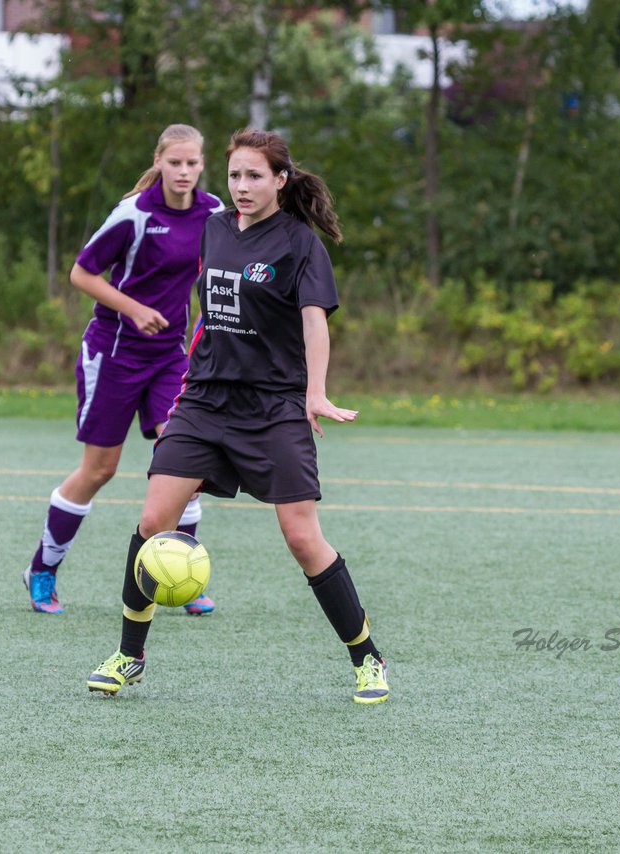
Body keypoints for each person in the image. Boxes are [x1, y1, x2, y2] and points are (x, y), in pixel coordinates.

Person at [87, 129, 389, 704]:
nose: (242, 186)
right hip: (203, 400)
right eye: (234, 176)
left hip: (274, 407)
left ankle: (367, 658)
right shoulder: (214, 226)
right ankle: (129, 656)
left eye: (255, 176)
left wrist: (316, 392)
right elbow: (163, 203)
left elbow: (314, 321)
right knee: (153, 522)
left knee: (302, 537)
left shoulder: (301, 244)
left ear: (281, 180)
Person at [23, 124, 223, 616]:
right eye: (174, 162)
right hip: (113, 352)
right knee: (100, 470)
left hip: (171, 356)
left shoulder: (214, 212)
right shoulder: (134, 213)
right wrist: (133, 309)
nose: (183, 171)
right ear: (158, 161)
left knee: (185, 464)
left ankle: (182, 575)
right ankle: (43, 569)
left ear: (202, 165)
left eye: (192, 163)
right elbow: (81, 273)